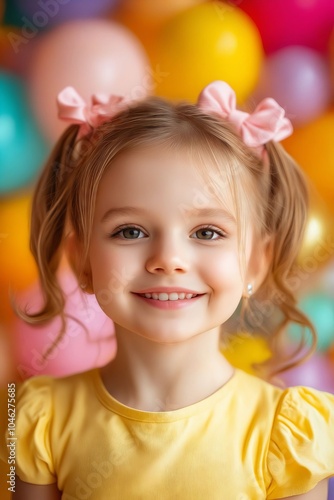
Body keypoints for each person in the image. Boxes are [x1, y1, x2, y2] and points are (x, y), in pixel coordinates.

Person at [1, 81, 333, 499]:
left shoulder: (285, 434)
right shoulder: (41, 418)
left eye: (207, 231)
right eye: (131, 230)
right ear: (83, 261)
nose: (168, 258)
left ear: (254, 262)